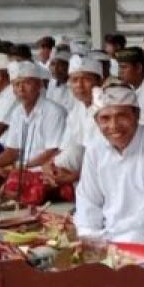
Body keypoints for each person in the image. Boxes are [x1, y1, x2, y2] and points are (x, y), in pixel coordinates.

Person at [75, 85, 144, 244]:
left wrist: (108, 239)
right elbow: (88, 200)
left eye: (121, 116)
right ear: (96, 121)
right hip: (107, 237)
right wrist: (89, 235)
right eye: (105, 118)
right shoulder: (95, 150)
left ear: (137, 115)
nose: (113, 126)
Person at [0, 61, 67, 177]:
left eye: (27, 83)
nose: (21, 89)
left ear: (39, 85)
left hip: (44, 173)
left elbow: (52, 152)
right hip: (22, 170)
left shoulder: (54, 112)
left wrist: (17, 169)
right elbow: (13, 150)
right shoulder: (17, 113)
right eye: (16, 85)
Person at [42, 54, 104, 188]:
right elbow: (66, 147)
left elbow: (108, 157)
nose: (80, 85)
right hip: (79, 174)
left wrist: (76, 176)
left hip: (104, 175)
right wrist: (49, 164)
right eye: (75, 80)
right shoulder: (77, 108)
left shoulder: (107, 109)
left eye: (86, 79)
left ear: (99, 82)